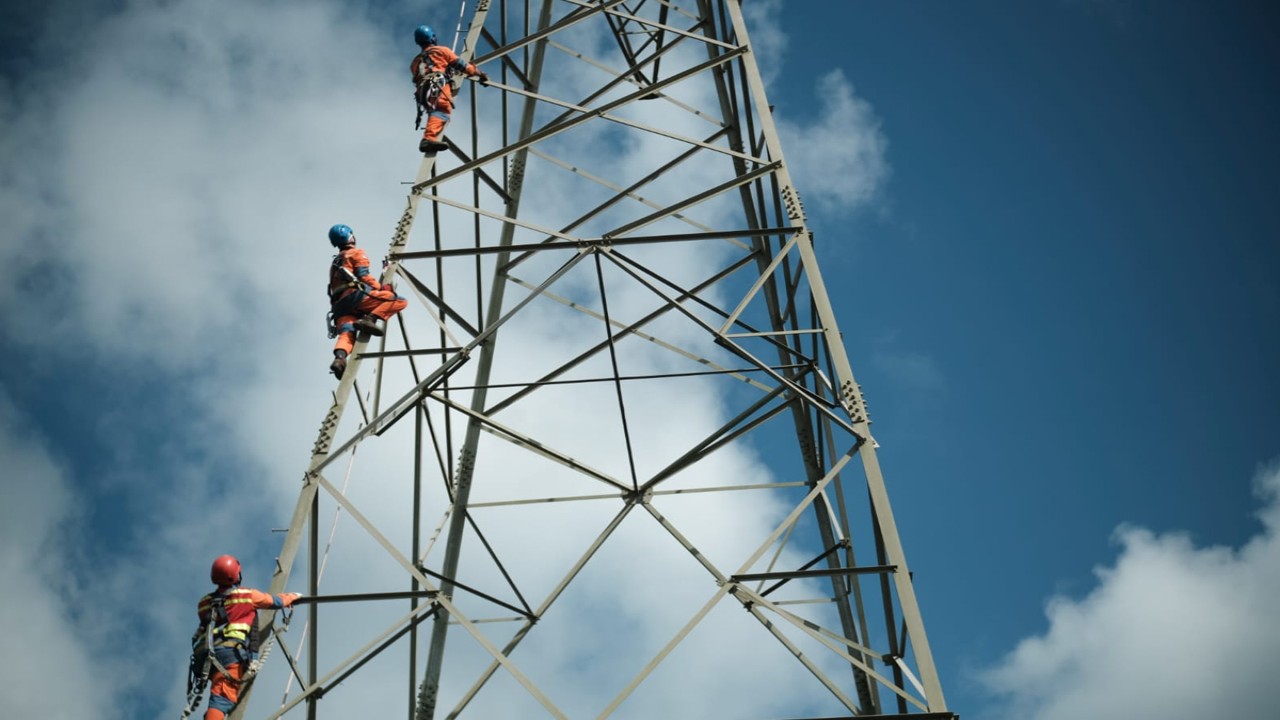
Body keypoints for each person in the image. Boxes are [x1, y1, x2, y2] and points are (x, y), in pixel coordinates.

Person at [191, 555, 300, 720]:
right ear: (237, 575)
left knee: (217, 695)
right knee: (222, 698)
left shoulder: (204, 603)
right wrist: (291, 597)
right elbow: (275, 602)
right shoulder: (247, 595)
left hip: (204, 653)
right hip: (230, 654)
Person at [327, 223, 407, 379]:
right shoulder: (356, 253)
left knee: (347, 333)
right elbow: (364, 276)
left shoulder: (335, 262)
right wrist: (382, 289)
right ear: (350, 236)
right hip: (354, 297)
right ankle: (369, 319)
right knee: (399, 301)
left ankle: (340, 359)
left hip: (339, 307)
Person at [411, 24, 488, 153]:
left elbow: (417, 76)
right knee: (442, 110)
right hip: (437, 84)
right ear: (432, 38)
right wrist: (480, 74)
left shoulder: (415, 62)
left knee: (434, 110)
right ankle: (428, 139)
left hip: (422, 91)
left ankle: (429, 137)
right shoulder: (441, 51)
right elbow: (462, 65)